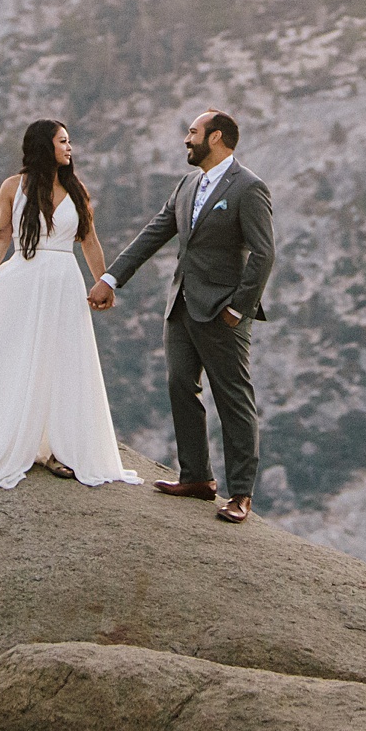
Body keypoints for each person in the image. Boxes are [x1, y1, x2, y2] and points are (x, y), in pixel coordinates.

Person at [0, 119, 140, 491]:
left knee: (63, 361)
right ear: (43, 146)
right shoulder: (13, 188)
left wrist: (104, 282)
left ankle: (59, 448)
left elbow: (89, 241)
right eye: (63, 142)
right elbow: (2, 234)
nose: (70, 148)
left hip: (65, 282)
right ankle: (15, 439)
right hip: (26, 278)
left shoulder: (77, 190)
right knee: (20, 357)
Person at [91, 109, 272, 523]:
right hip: (181, 306)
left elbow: (264, 254)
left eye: (193, 132)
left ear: (217, 138)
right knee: (178, 385)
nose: (186, 140)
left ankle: (241, 495)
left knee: (233, 399)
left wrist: (237, 309)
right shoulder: (188, 184)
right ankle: (197, 478)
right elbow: (154, 233)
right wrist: (111, 278)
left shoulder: (249, 188)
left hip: (223, 312)